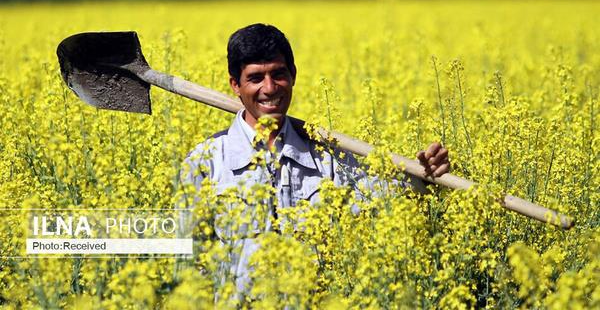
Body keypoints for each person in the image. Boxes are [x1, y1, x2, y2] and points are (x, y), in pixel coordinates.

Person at [179, 23, 450, 289]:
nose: (270, 88)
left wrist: (425, 173)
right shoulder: (207, 162)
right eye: (255, 78)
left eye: (278, 74)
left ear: (293, 75)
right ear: (235, 85)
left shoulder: (327, 158)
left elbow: (389, 195)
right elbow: (180, 256)